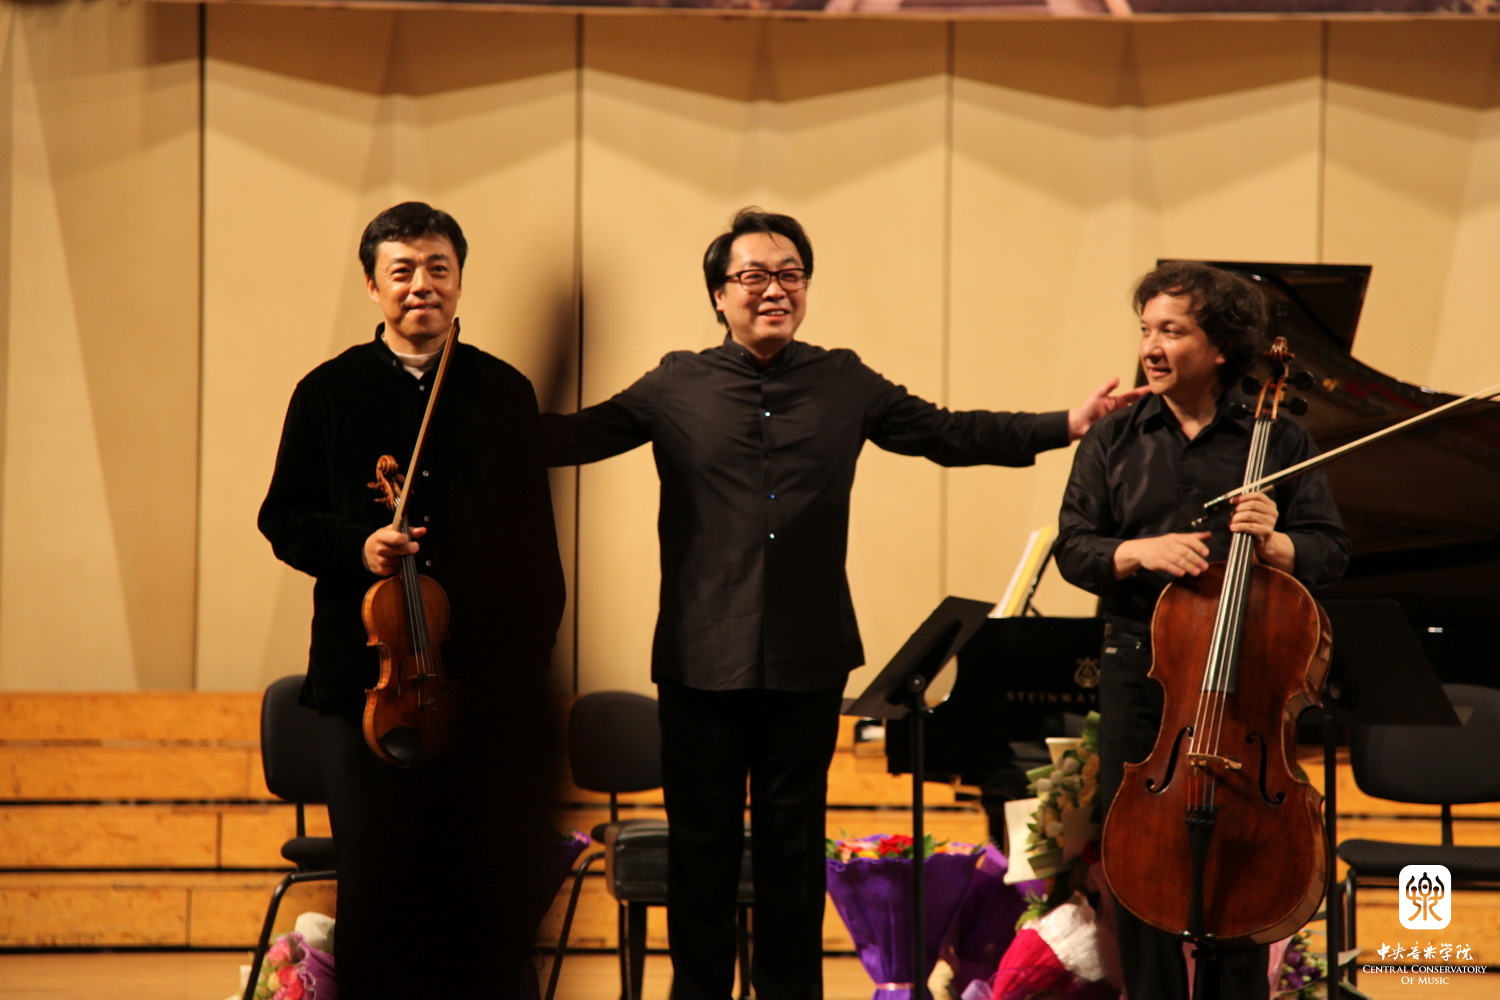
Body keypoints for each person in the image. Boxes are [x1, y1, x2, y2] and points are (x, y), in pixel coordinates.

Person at [541, 207, 1147, 1000]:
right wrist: (465, 416)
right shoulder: (675, 384)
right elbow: (571, 437)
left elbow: (947, 432)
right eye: (753, 276)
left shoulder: (842, 381)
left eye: (790, 274)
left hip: (808, 656)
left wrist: (1065, 423)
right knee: (702, 856)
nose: (775, 289)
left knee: (793, 857)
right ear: (719, 294)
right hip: (699, 657)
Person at [258, 202, 565, 999]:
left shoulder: (502, 390)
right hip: (367, 690)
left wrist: (521, 677)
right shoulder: (327, 392)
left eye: (438, 268)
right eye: (402, 270)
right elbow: (282, 518)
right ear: (373, 286)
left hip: (481, 691)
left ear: (459, 280)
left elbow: (538, 550)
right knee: (378, 883)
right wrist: (355, 547)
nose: (421, 284)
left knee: (482, 890)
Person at [1054, 260, 1350, 999]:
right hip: (1142, 672)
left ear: (1218, 347)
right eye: (1146, 330)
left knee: (1240, 855)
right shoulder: (1114, 437)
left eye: (1172, 331)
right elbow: (1074, 547)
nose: (1152, 347)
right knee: (1139, 855)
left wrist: (1279, 543)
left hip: (1245, 675)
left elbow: (1331, 550)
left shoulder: (1277, 440)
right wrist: (1136, 551)